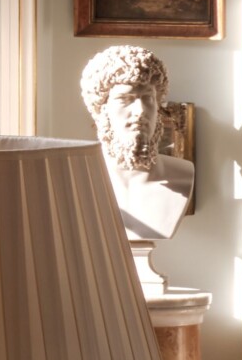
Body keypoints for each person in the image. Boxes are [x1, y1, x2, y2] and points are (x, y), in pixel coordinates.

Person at [78, 45, 194, 240]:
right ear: (102, 109)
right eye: (125, 99)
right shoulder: (80, 180)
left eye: (148, 98)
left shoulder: (183, 175)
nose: (140, 111)